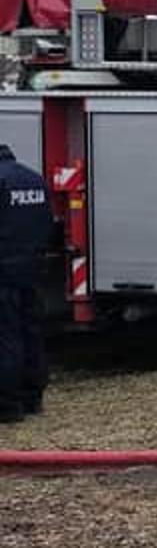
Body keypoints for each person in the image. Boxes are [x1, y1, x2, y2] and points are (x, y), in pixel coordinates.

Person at [0, 144, 52, 423]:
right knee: (31, 333)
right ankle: (33, 397)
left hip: (3, 272)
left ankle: (7, 404)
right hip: (32, 269)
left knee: (6, 337)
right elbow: (47, 223)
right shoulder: (35, 179)